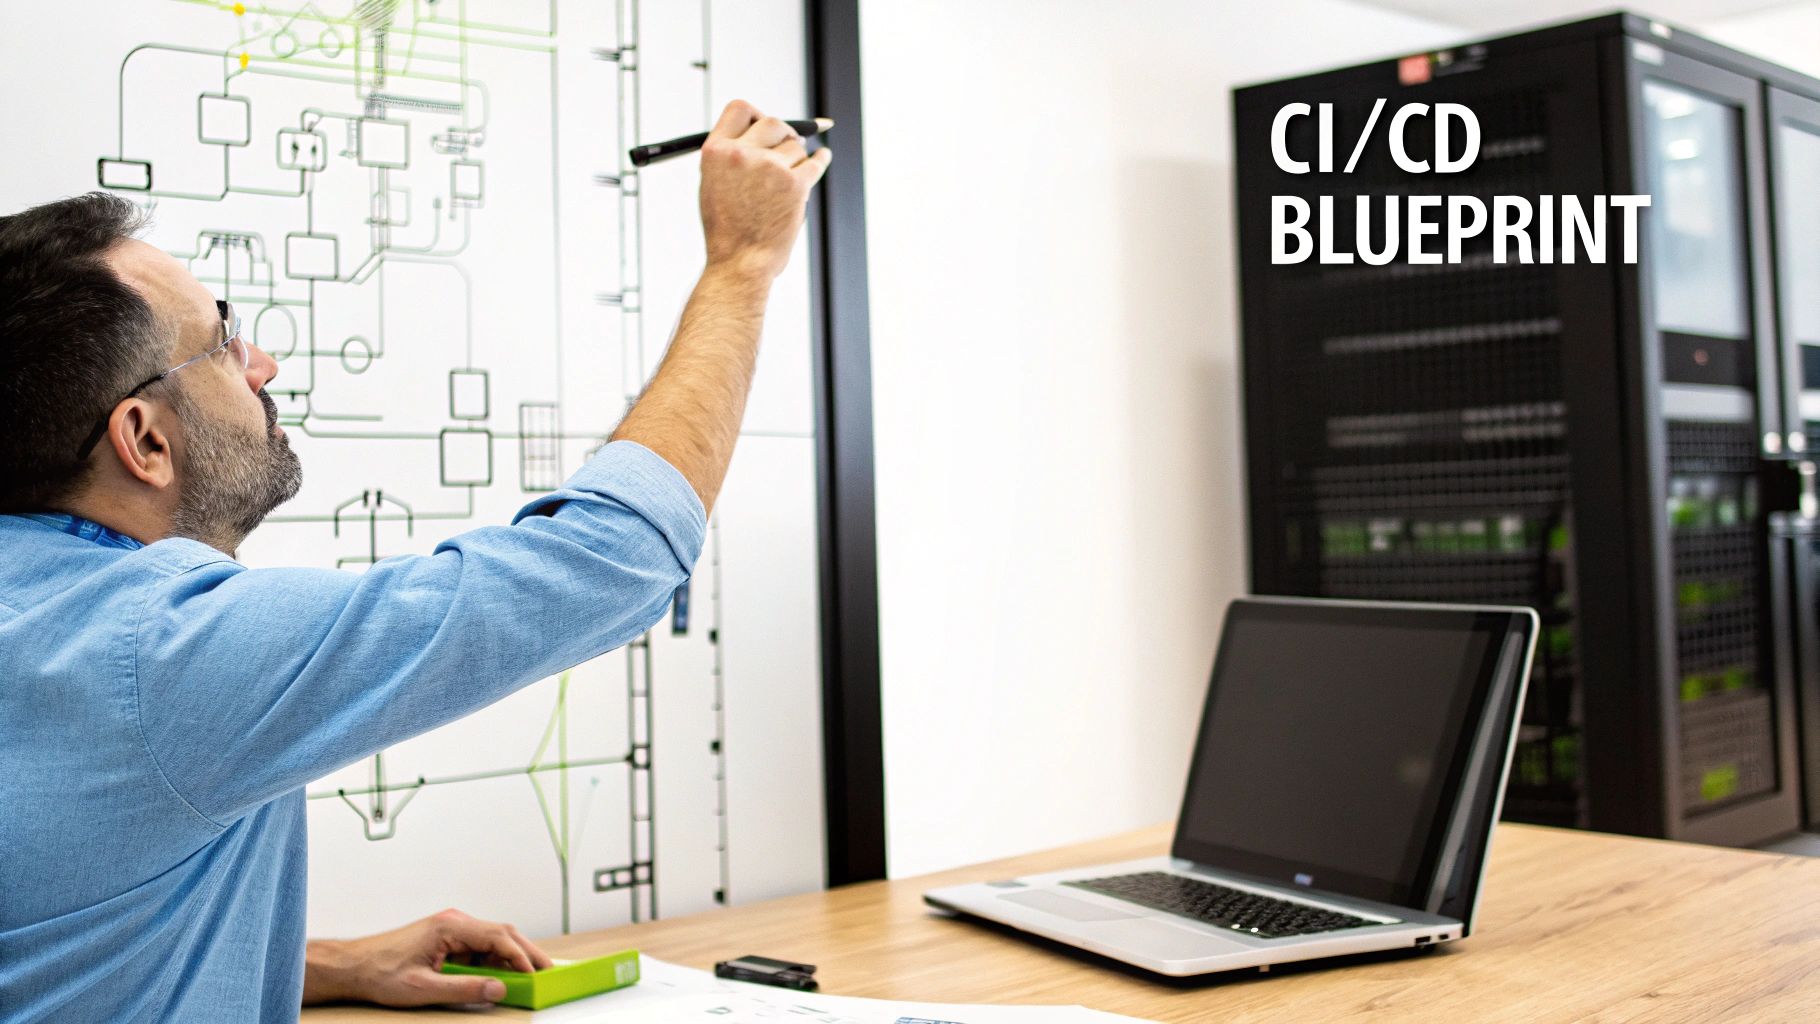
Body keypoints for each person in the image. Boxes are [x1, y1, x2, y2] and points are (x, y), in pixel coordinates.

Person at [0, 100, 831, 1022]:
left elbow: (47, 935)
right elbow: (614, 557)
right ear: (144, 441)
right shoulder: (162, 654)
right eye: (223, 340)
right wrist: (744, 265)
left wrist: (326, 965)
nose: (262, 362)